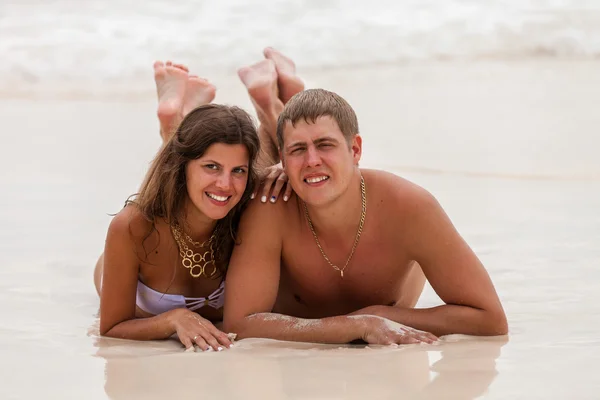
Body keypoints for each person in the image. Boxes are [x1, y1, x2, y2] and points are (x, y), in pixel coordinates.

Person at [223, 87, 509, 345]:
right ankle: (271, 113)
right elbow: (239, 323)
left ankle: (279, 99)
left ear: (356, 149)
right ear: (283, 161)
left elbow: (490, 319)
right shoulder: (271, 207)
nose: (312, 160)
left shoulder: (408, 206)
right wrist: (353, 325)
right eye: (298, 150)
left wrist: (378, 314)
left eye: (325, 145)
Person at [95, 49, 304, 351]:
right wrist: (173, 318)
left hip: (196, 187)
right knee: (163, 191)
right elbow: (112, 327)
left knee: (271, 177)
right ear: (185, 168)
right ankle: (176, 125)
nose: (225, 184)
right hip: (126, 254)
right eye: (211, 167)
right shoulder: (132, 227)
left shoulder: (244, 206)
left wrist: (288, 176)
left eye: (238, 171)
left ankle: (274, 106)